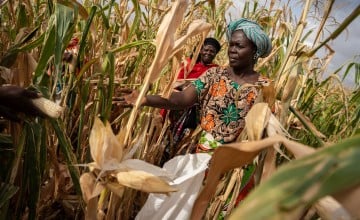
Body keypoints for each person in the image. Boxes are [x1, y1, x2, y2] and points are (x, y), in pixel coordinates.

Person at [120, 18, 272, 220]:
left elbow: (266, 129)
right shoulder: (214, 75)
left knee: (224, 211)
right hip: (205, 157)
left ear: (255, 51)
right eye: (231, 45)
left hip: (239, 164)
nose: (232, 50)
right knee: (190, 209)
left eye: (239, 46)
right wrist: (144, 98)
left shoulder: (265, 87)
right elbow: (181, 99)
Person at [160, 37, 221, 161]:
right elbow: (175, 83)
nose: (208, 53)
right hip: (178, 107)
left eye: (212, 51)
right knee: (168, 133)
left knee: (188, 138)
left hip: (197, 111)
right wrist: (190, 88)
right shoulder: (188, 64)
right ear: (200, 50)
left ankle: (178, 158)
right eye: (206, 50)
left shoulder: (215, 69)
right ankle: (162, 156)